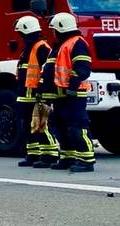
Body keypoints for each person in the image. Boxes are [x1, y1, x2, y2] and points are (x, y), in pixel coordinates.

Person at [40, 12, 96, 172]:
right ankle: (67, 157)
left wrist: (72, 88)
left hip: (73, 95)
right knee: (61, 126)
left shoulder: (77, 43)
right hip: (60, 95)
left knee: (76, 126)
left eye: (54, 30)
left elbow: (82, 68)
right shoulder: (60, 45)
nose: (53, 33)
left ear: (61, 28)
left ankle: (86, 160)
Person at [13, 16, 58, 168]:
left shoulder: (41, 47)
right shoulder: (29, 47)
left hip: (37, 94)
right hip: (25, 95)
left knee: (41, 125)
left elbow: (47, 71)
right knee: (27, 126)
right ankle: (33, 154)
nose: (20, 36)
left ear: (26, 31)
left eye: (21, 33)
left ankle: (50, 155)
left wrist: (42, 90)